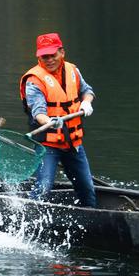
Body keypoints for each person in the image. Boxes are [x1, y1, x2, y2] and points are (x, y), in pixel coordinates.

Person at [22, 32, 98, 207]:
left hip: (73, 142)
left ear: (61, 52)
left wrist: (86, 103)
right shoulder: (34, 80)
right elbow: (38, 111)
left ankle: (91, 218)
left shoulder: (73, 70)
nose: (49, 60)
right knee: (43, 188)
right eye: (44, 56)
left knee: (86, 187)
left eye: (52, 55)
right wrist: (48, 121)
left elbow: (87, 90)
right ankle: (30, 222)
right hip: (48, 145)